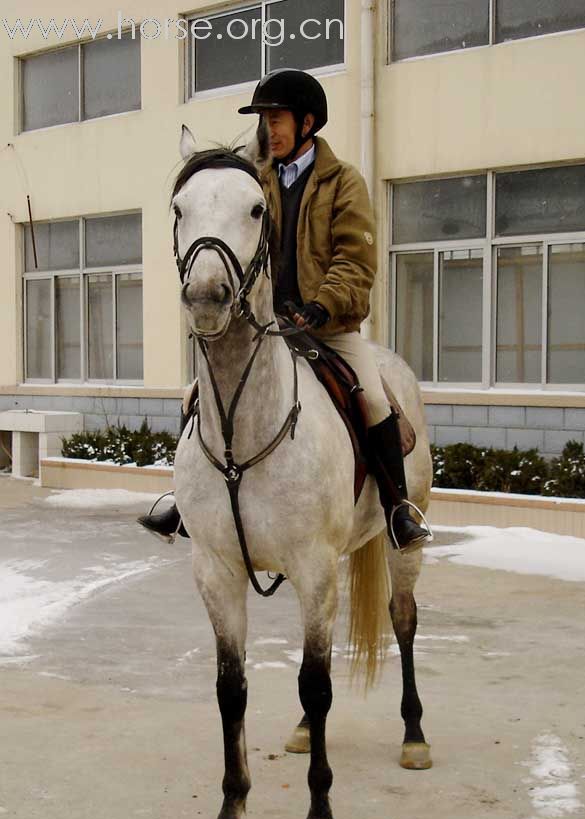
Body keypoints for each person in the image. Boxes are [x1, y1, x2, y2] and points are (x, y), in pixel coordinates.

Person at [138, 69, 430, 552]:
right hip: (266, 326)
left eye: (277, 118)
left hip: (329, 327)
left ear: (308, 122)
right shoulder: (255, 180)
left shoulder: (344, 183)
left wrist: (322, 305)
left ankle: (399, 509)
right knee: (197, 396)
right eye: (264, 120)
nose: (267, 129)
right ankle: (186, 502)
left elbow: (355, 259)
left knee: (375, 402)